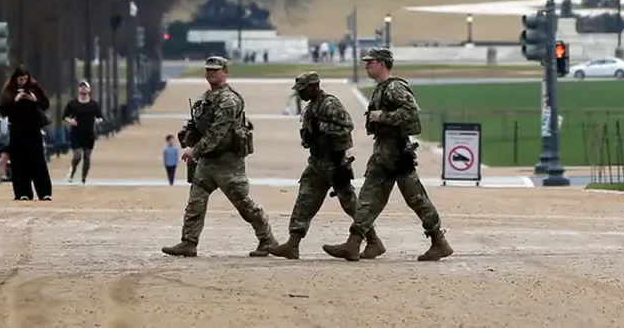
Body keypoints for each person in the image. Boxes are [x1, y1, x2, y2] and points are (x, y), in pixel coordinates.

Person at [322, 48, 452, 262]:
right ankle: (356, 242)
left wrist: (382, 116)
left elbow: (411, 114)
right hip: (385, 152)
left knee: (415, 198)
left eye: (370, 62)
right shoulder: (381, 89)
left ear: (382, 64)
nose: (366, 66)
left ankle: (438, 241)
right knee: (370, 195)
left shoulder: (394, 88)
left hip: (396, 152)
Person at [161, 56, 278, 258]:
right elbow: (199, 125)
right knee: (195, 201)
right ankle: (189, 242)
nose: (211, 73)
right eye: (208, 70)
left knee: (243, 203)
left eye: (215, 70)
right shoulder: (206, 98)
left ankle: (267, 239)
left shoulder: (228, 100)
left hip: (228, 162)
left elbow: (218, 132)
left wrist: (194, 150)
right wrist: (188, 135)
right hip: (207, 161)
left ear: (225, 72)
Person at [268, 72, 384, 260]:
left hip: (334, 162)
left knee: (350, 203)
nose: (300, 94)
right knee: (305, 199)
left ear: (314, 87)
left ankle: (373, 241)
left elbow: (347, 126)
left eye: (303, 90)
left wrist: (321, 127)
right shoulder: (312, 106)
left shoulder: (330, 104)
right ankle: (293, 243)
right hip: (317, 162)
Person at [0, 66, 52, 201]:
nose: (23, 82)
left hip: (33, 129)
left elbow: (45, 104)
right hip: (17, 130)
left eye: (25, 79)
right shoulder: (9, 89)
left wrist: (35, 100)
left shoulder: (34, 87)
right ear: (15, 78)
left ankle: (44, 192)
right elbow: (3, 110)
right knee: (19, 162)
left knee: (38, 161)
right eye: (20, 79)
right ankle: (23, 192)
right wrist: (15, 100)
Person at [63, 80, 103, 184]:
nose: (83, 88)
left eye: (85, 87)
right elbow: (65, 116)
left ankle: (83, 178)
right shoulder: (73, 103)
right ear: (78, 89)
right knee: (77, 156)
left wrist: (97, 121)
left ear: (89, 90)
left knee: (87, 156)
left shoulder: (93, 104)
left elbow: (100, 117)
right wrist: (70, 121)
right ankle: (72, 171)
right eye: (81, 87)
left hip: (89, 134)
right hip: (76, 133)